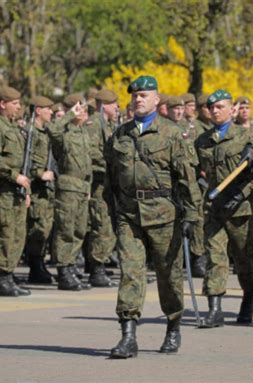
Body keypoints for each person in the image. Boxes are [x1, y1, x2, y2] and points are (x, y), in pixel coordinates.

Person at [106, 75, 201, 358]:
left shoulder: (172, 134)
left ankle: (173, 327)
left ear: (156, 99)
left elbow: (187, 179)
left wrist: (192, 217)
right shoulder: (120, 135)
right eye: (134, 95)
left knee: (168, 276)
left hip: (164, 215)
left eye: (144, 95)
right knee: (130, 273)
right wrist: (114, 214)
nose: (138, 99)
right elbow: (111, 179)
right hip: (129, 215)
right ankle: (128, 336)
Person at [195, 90, 253, 327]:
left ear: (232, 109)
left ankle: (249, 297)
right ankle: (214, 308)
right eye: (211, 107)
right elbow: (197, 171)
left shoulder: (246, 137)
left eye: (220, 107)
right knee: (215, 256)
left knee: (244, 257)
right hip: (215, 207)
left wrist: (242, 193)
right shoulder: (202, 141)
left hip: (240, 208)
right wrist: (202, 184)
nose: (215, 111)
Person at [48, 94, 92, 291]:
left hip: (82, 187)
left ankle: (72, 265)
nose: (83, 112)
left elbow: (87, 164)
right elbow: (52, 129)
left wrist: (88, 187)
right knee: (65, 230)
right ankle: (63, 270)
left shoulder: (83, 132)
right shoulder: (63, 132)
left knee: (79, 230)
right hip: (67, 187)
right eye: (79, 108)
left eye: (83, 109)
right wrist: (68, 115)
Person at [0, 86, 31, 297]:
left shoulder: (15, 128)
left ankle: (9, 274)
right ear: (3, 104)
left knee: (17, 235)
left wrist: (26, 189)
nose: (18, 107)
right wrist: (14, 176)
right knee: (6, 235)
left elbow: (23, 162)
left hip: (17, 191)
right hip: (4, 191)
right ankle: (1, 278)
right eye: (14, 103)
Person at [84, 89, 119, 288]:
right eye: (114, 104)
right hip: (98, 183)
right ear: (104, 105)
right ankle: (96, 269)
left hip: (108, 183)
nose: (116, 108)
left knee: (106, 225)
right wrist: (109, 163)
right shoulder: (94, 123)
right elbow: (91, 152)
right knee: (101, 226)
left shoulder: (107, 124)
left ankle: (100, 264)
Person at [24, 96, 56, 284]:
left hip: (46, 191)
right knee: (37, 228)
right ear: (37, 110)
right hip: (35, 189)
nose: (51, 112)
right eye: (47, 108)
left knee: (44, 229)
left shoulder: (45, 132)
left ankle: (39, 264)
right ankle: (35, 267)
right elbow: (25, 161)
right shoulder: (30, 132)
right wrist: (39, 173)